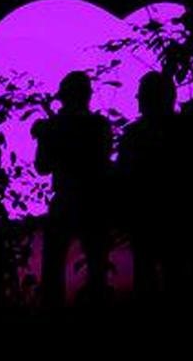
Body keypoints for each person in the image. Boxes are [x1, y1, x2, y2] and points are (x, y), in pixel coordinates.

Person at [32, 71, 113, 308]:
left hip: (67, 199)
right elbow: (104, 162)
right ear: (87, 96)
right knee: (97, 265)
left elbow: (42, 167)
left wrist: (48, 135)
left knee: (54, 266)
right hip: (95, 200)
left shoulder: (53, 127)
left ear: (66, 98)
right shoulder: (99, 125)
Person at [117, 71, 184, 299]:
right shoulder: (185, 130)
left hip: (147, 217)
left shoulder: (133, 135)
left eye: (141, 95)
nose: (137, 99)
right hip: (170, 217)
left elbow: (123, 177)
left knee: (147, 277)